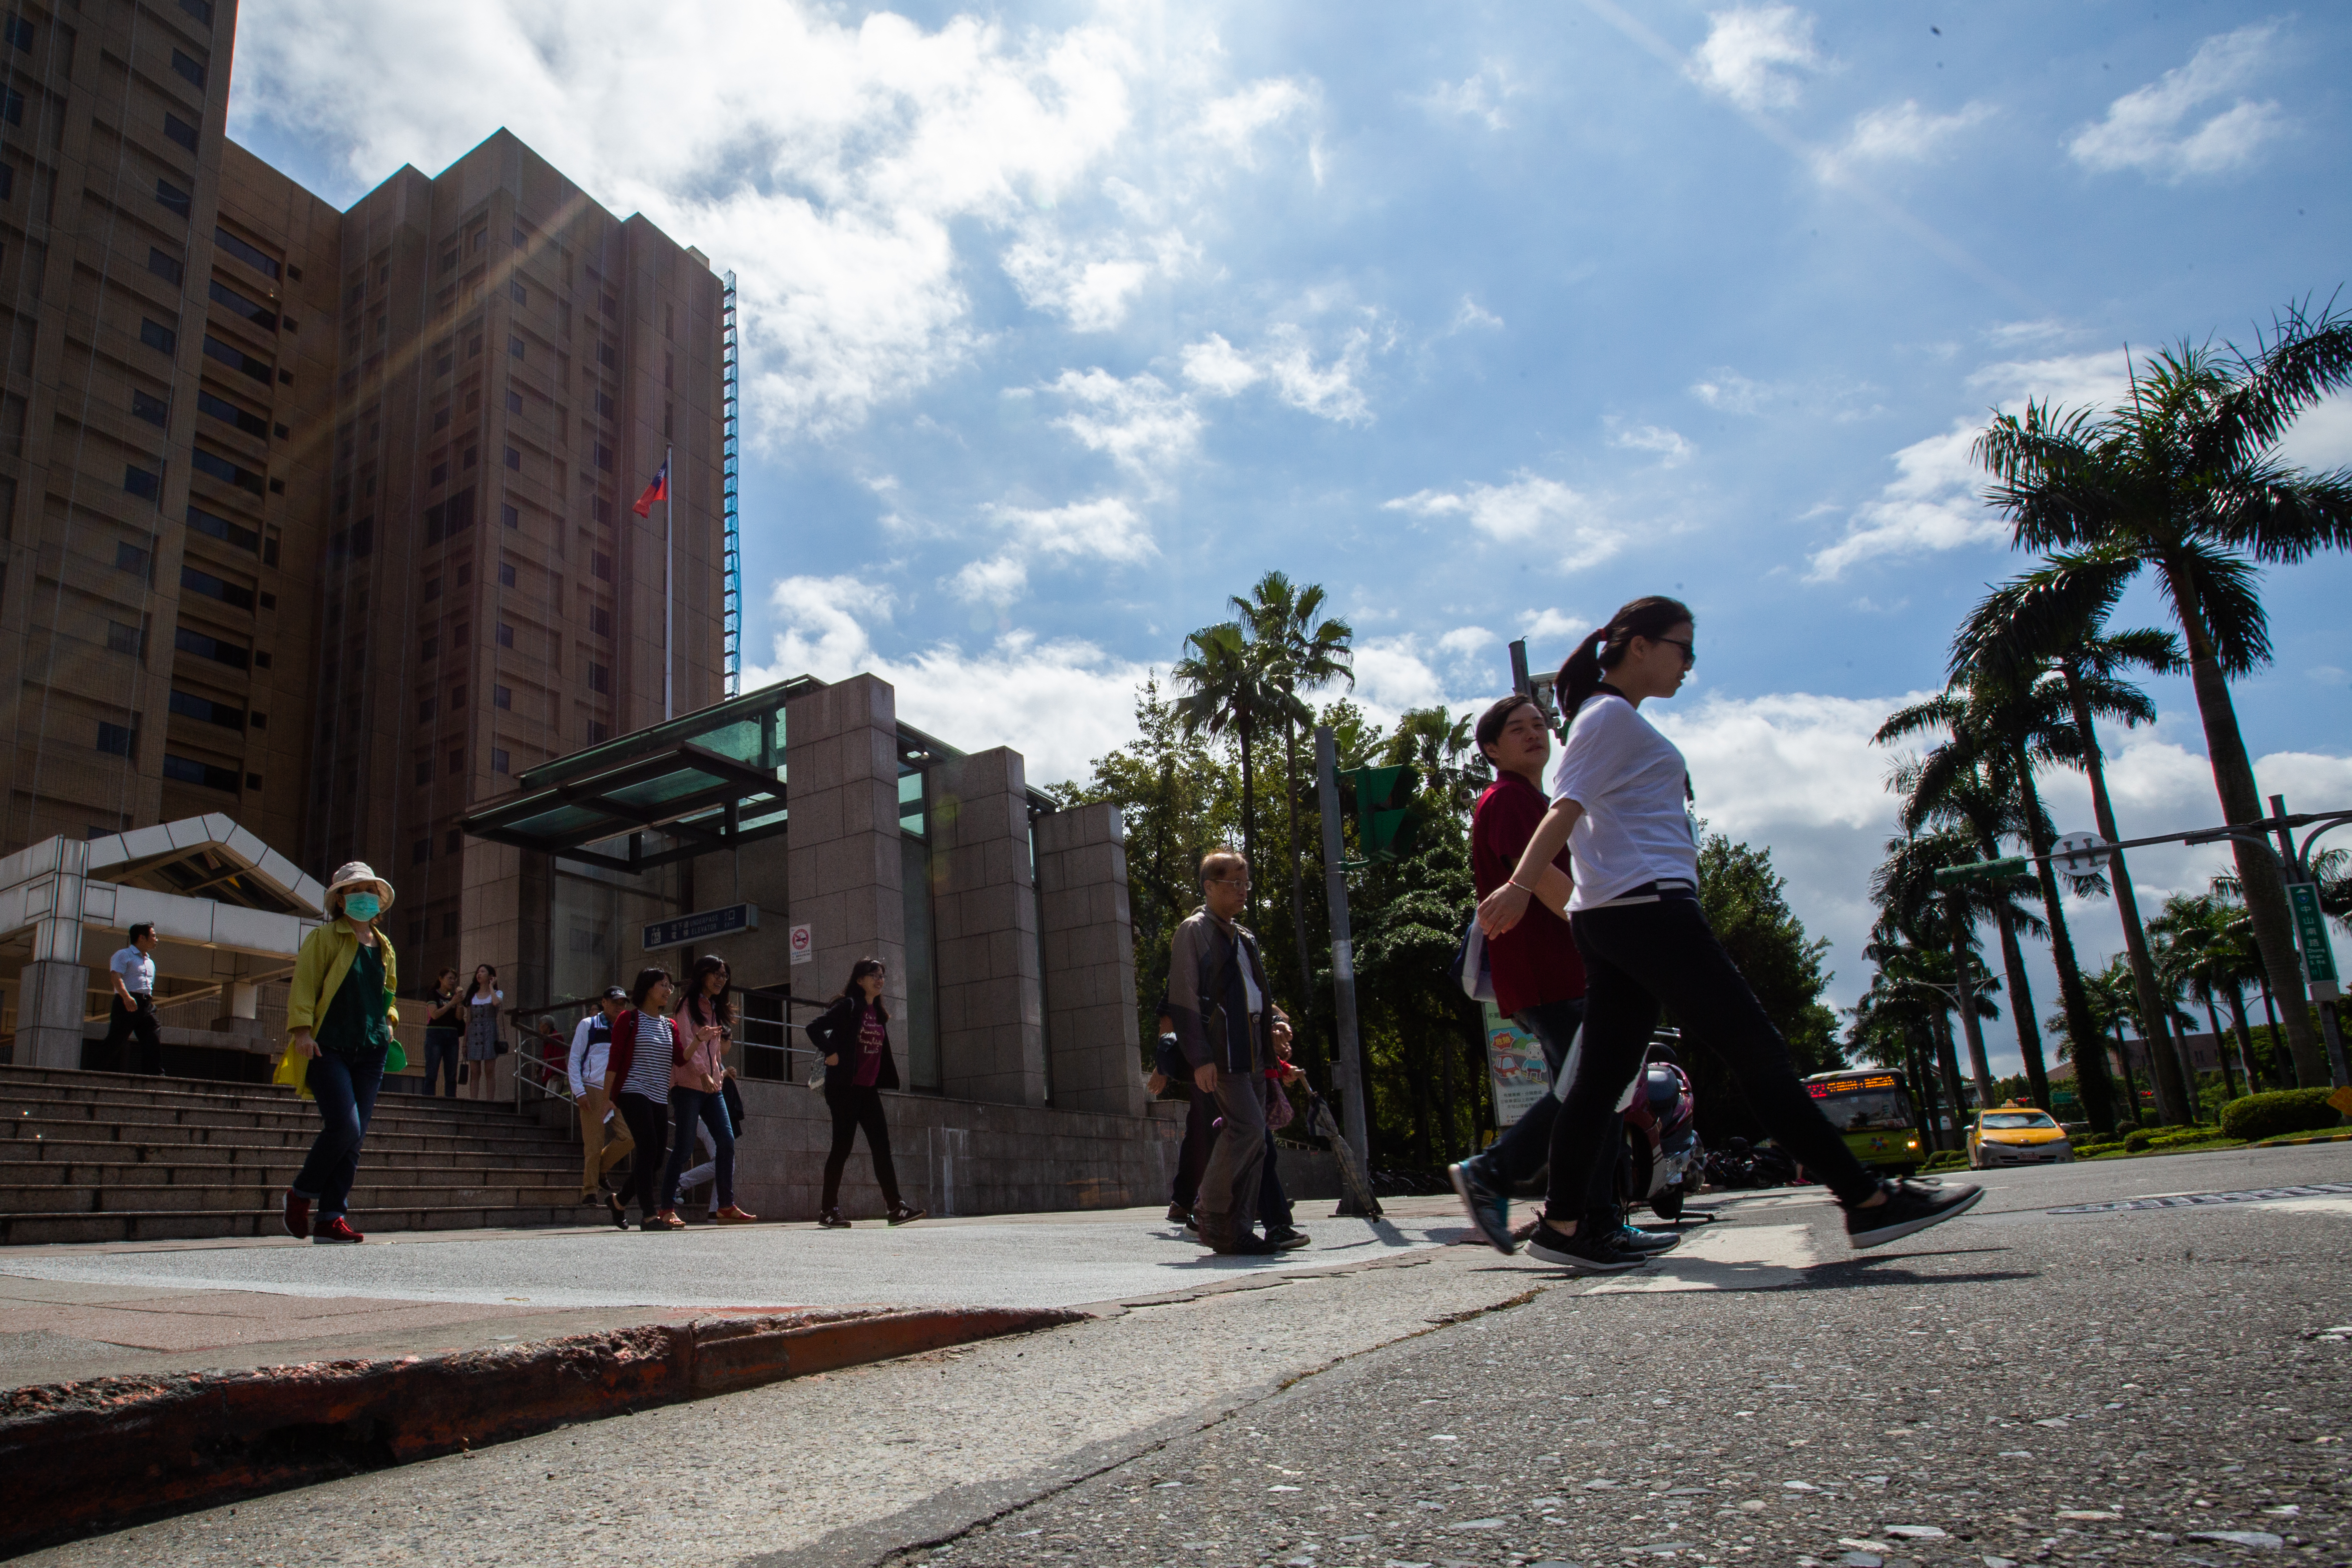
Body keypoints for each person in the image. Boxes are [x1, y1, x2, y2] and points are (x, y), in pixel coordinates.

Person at [1476, 596, 1983, 1272]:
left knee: (1598, 1081)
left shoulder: (1610, 721)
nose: (1689, 663)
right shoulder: (1607, 718)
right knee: (1757, 1051)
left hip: (1615, 914)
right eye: (1682, 648)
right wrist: (1518, 885)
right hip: (1646, 909)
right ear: (1637, 646)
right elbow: (1563, 809)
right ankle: (1865, 1199)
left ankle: (1566, 1222)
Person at [1450, 694, 1679, 1260]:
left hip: (1561, 972)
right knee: (1592, 1091)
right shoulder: (1507, 801)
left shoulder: (1532, 799)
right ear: (1490, 748)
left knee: (1598, 1093)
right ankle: (1509, 1181)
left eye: (1539, 725)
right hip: (1551, 973)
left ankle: (1577, 1223)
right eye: (1517, 729)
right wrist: (1612, 941)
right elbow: (1552, 886)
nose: (1534, 734)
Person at [1166, 848, 1285, 1256]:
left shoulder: (1244, 936)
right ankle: (1210, 1212)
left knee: (1258, 1141)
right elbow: (1182, 997)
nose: (1242, 891)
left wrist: (1274, 1026)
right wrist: (1200, 1058)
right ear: (1209, 887)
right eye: (1233, 883)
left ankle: (1236, 1230)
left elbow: (1255, 994)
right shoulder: (1193, 929)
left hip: (1252, 1050)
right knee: (1248, 1129)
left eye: (1245, 882)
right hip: (1222, 1051)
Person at [280, 863, 400, 1244]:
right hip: (327, 1046)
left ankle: (331, 1217)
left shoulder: (383, 945)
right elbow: (305, 984)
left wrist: (391, 1018)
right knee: (345, 1126)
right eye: (356, 889)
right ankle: (300, 1194)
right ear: (340, 899)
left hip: (371, 1050)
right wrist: (301, 1030)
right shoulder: (325, 938)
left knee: (356, 1136)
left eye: (369, 889)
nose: (364, 895)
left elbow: (388, 993)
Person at [805, 957, 925, 1229]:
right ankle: (828, 1211)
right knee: (842, 1149)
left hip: (868, 1091)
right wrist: (832, 1052)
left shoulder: (878, 1013)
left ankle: (895, 1208)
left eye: (882, 975)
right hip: (845, 1090)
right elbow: (813, 1027)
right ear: (860, 980)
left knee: (882, 1148)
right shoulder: (848, 1006)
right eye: (874, 975)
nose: (880, 979)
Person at [662, 955, 756, 1225]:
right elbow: (686, 1042)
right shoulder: (686, 1005)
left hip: (712, 1087)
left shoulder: (714, 1007)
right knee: (682, 1149)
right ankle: (666, 1207)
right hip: (688, 1086)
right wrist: (704, 1073)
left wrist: (718, 1073)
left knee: (727, 1142)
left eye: (724, 975)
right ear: (702, 974)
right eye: (715, 973)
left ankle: (726, 1206)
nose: (720, 979)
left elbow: (712, 1051)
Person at [603, 967, 683, 1230]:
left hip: (660, 1096)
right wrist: (608, 1096)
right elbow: (614, 1060)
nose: (669, 991)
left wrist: (702, 1040)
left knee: (657, 1158)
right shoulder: (629, 1018)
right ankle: (649, 1216)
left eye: (670, 986)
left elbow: (680, 1059)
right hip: (633, 1091)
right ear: (649, 988)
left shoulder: (669, 1025)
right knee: (648, 1148)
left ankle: (619, 1201)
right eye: (664, 985)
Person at [567, 985, 635, 1224]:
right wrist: (579, 1091)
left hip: (617, 1090)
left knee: (629, 1136)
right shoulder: (588, 1025)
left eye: (623, 1003)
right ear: (604, 1002)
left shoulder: (627, 1027)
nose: (620, 1007)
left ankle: (601, 1170)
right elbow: (574, 1059)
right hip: (593, 1088)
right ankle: (590, 1191)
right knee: (594, 1143)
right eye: (616, 1002)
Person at [103, 923, 164, 1075]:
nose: (156, 939)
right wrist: (126, 997)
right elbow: (115, 976)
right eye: (153, 936)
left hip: (146, 1004)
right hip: (127, 1001)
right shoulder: (124, 955)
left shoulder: (150, 962)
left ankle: (154, 1075)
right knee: (116, 1040)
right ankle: (94, 1071)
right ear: (142, 937)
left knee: (153, 1038)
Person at [460, 964, 504, 1100]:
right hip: (474, 1033)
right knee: (475, 1072)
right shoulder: (472, 996)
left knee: (490, 1071)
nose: (479, 974)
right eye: (478, 972)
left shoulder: (497, 993)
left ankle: (490, 1101)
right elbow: (468, 1020)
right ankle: (474, 1100)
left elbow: (496, 1003)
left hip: (490, 1032)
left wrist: (491, 986)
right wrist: (465, 1042)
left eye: (483, 972)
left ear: (491, 976)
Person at [421, 969, 463, 1098]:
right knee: (432, 1072)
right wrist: (451, 1003)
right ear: (441, 979)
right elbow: (434, 1014)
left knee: (451, 1074)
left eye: (454, 979)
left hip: (452, 1035)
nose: (452, 981)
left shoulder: (454, 997)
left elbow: (460, 1018)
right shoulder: (433, 994)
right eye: (449, 978)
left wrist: (459, 1001)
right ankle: (428, 1100)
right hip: (435, 1033)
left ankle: (451, 1100)